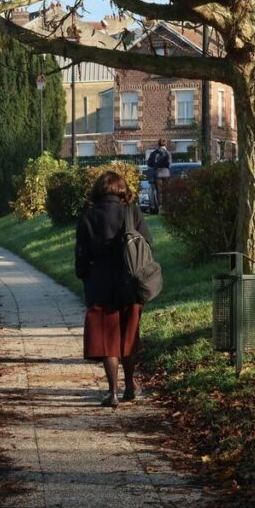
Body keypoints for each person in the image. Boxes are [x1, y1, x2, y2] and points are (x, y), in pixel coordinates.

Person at [75, 171, 153, 407]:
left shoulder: (88, 215)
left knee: (108, 340)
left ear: (98, 190)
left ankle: (113, 391)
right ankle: (130, 385)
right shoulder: (132, 212)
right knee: (129, 336)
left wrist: (85, 275)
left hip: (100, 284)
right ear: (122, 190)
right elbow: (147, 243)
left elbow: (81, 255)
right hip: (131, 282)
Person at [145, 139, 171, 212]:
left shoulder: (154, 153)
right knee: (166, 191)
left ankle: (160, 207)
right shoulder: (168, 153)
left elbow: (149, 164)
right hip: (166, 174)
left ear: (158, 144)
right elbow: (169, 164)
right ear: (165, 144)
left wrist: (155, 165)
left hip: (157, 173)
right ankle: (166, 207)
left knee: (159, 192)